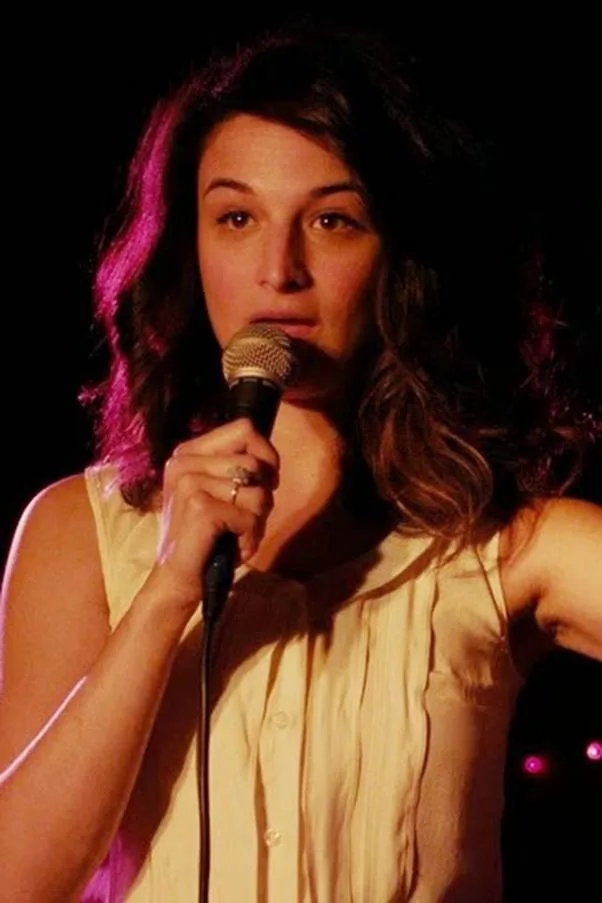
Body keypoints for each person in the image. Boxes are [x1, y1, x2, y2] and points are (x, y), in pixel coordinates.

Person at [0, 24, 600, 903]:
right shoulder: (81, 529)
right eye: (236, 218)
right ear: (189, 245)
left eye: (331, 220)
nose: (278, 270)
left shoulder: (499, 545)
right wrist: (167, 590)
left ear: (397, 252)